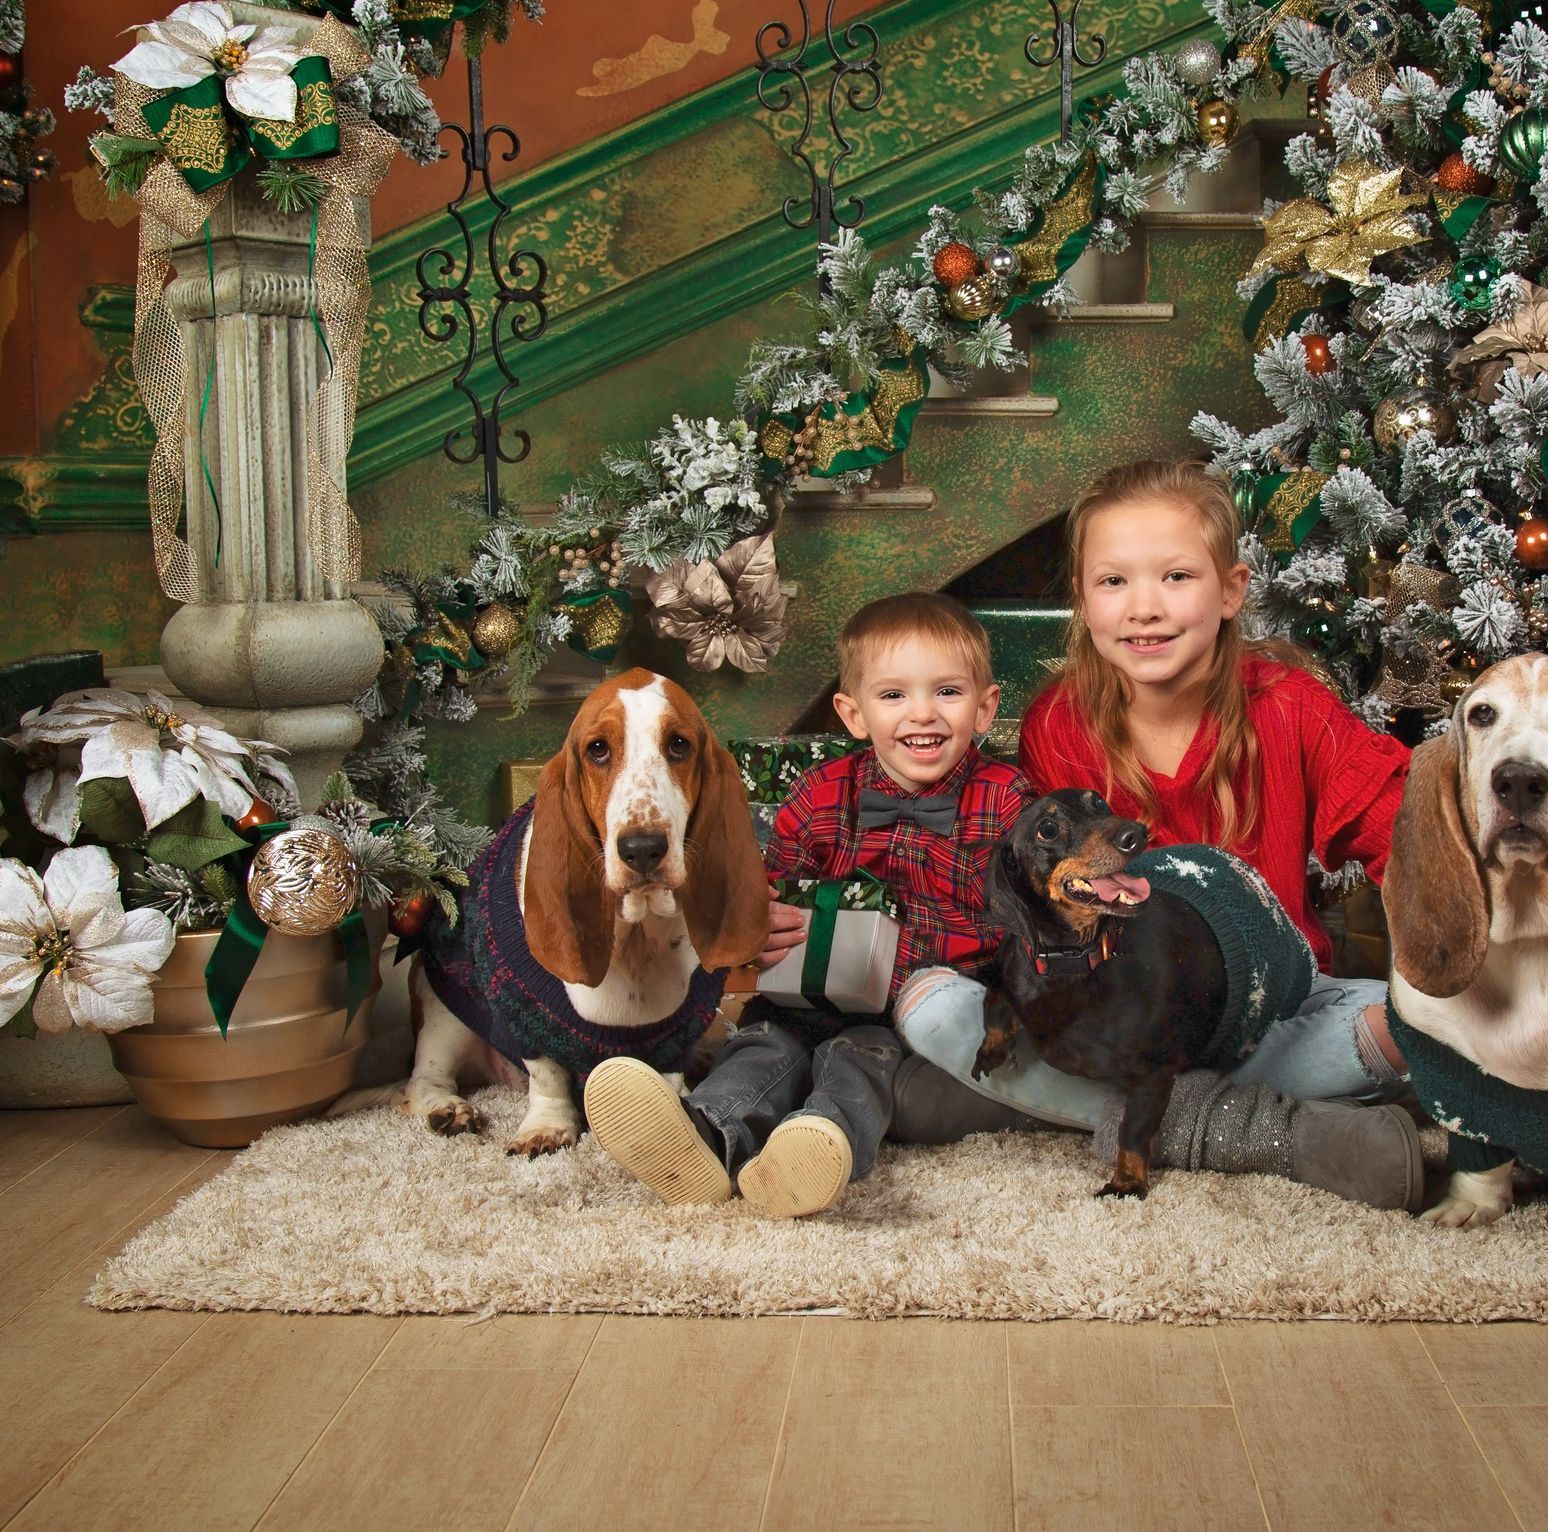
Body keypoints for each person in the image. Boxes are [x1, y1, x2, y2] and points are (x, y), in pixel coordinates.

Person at [895, 458, 1423, 1209]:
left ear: (1231, 590)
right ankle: (1261, 1130)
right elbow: (1049, 906)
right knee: (932, 1005)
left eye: (1176, 577)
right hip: (1118, 1011)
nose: (1144, 607)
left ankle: (1052, 1109)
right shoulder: (1060, 721)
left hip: (1275, 1006)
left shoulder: (1291, 707)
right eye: (1114, 582)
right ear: (1081, 599)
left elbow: (1403, 838)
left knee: (1417, 1025)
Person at [583, 593, 1031, 1217]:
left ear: (985, 708)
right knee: (762, 1044)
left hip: (911, 1014)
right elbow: (771, 888)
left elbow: (1021, 926)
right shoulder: (820, 791)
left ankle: (819, 1144)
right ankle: (708, 1135)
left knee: (859, 1063)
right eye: (894, 695)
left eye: (948, 693)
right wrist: (762, 926)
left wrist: (938, 970)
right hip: (807, 996)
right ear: (852, 713)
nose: (922, 714)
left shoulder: (1008, 801)